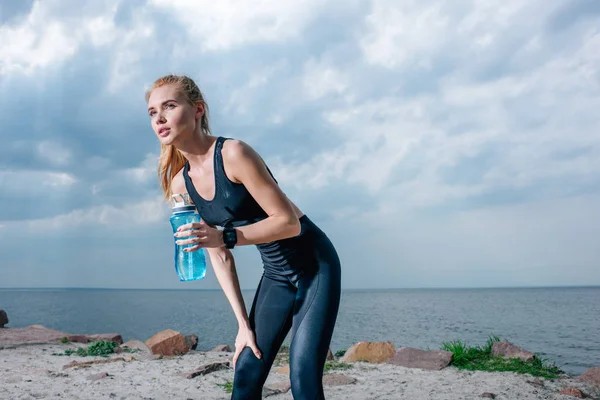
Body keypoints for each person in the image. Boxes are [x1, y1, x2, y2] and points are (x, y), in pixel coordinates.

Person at [145, 74, 342, 399]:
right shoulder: (183, 185)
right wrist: (242, 325)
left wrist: (226, 237)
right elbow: (218, 254)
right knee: (246, 373)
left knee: (303, 380)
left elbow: (288, 223)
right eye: (153, 112)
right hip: (277, 276)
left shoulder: (233, 154)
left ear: (197, 110)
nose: (160, 118)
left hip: (315, 266)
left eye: (169, 106)